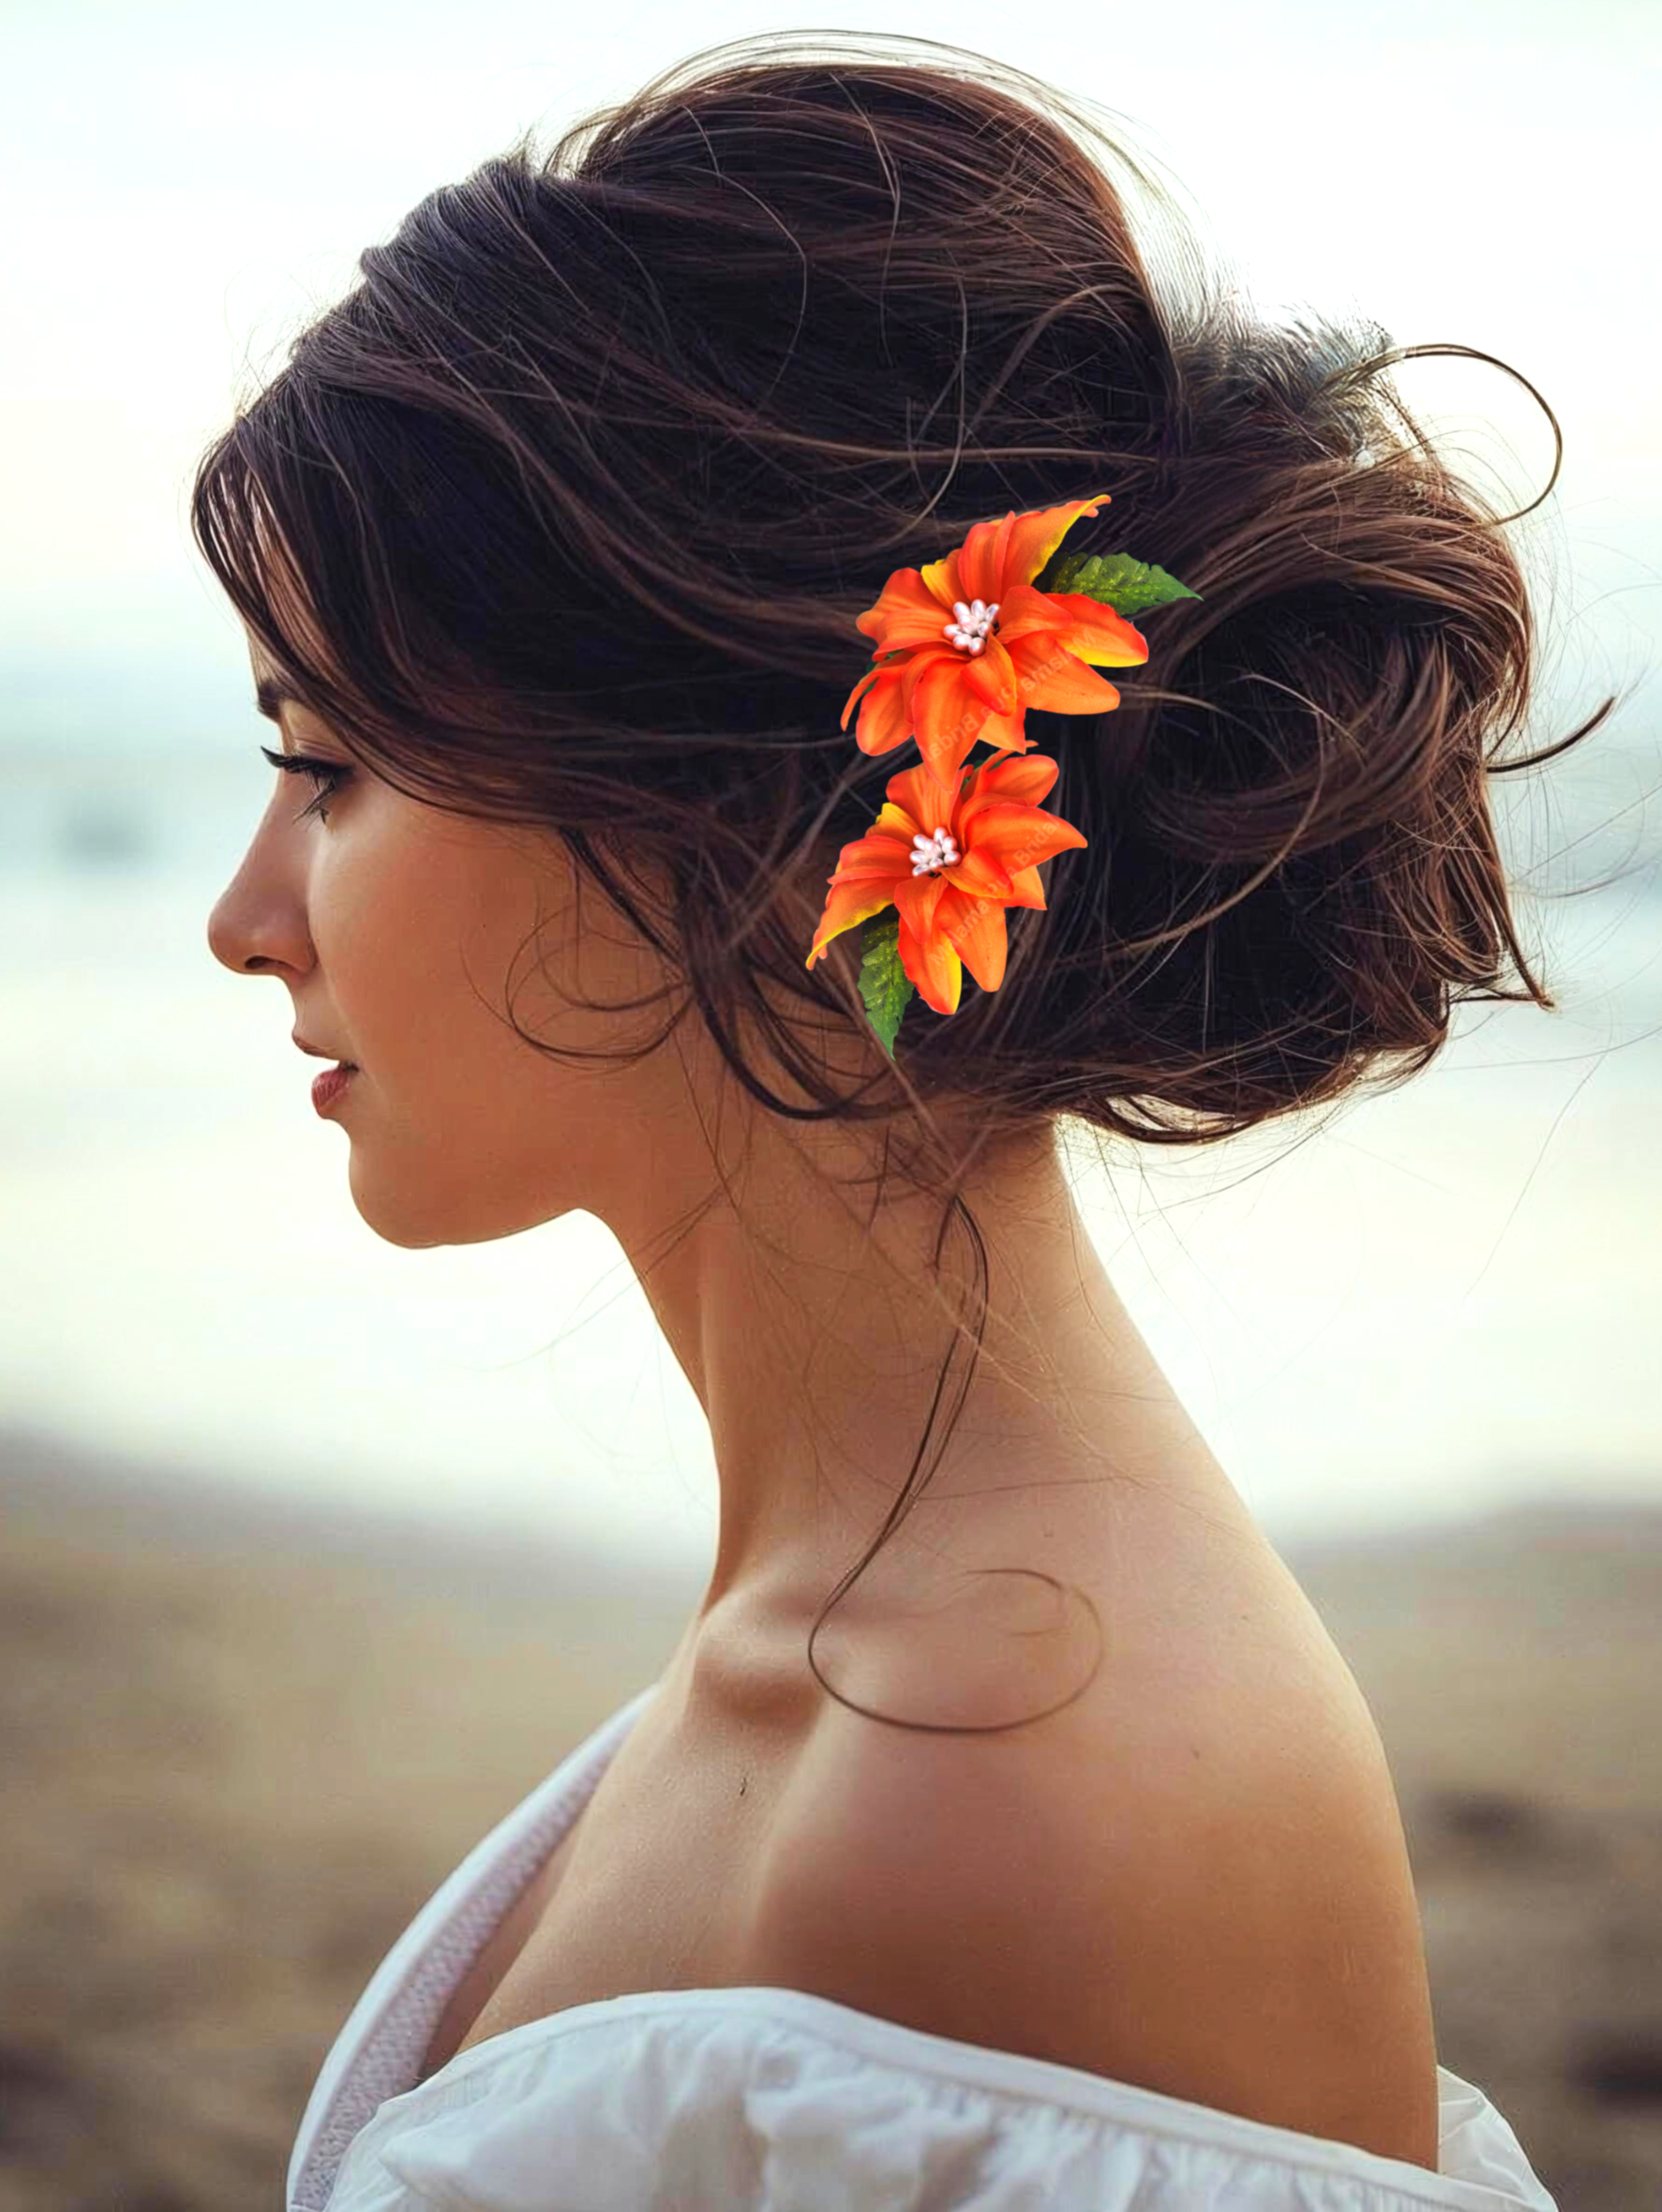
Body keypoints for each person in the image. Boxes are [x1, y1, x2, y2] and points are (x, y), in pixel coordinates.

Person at [201, 30, 1598, 2210]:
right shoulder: (869, 1646)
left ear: (737, 808)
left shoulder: (1020, 1794)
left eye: (326, 762)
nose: (245, 920)